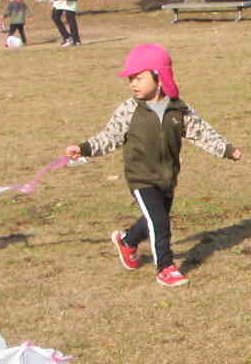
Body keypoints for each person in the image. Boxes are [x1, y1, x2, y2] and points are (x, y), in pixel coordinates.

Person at [64, 42, 241, 288]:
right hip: (141, 177)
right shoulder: (129, 110)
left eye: (139, 77)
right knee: (160, 222)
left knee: (153, 220)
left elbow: (202, 133)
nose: (133, 84)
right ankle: (165, 267)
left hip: (167, 176)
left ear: (160, 77)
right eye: (130, 79)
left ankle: (127, 241)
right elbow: (109, 137)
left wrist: (227, 150)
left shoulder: (179, 109)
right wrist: (83, 148)